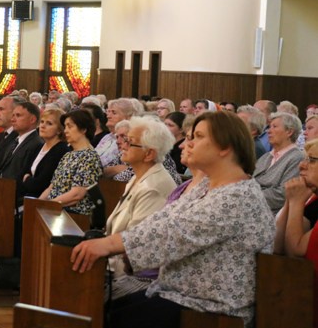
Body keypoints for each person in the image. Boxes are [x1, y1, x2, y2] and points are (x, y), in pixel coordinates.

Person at [71, 111, 275, 328]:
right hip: (178, 295)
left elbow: (175, 232)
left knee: (107, 317)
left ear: (225, 147)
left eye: (198, 136)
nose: (188, 143)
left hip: (211, 310)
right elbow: (162, 220)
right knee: (101, 308)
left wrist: (108, 245)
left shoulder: (238, 196)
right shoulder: (210, 186)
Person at [106, 116, 176, 299]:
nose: (123, 144)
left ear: (149, 154)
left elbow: (133, 245)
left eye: (130, 142)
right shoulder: (137, 177)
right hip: (117, 267)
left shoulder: (153, 186)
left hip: (136, 277)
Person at [274, 138, 318, 328]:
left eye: (312, 160)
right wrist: (290, 200)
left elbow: (297, 253)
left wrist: (296, 203)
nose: (302, 164)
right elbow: (277, 246)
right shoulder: (313, 196)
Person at [40, 109, 103, 216]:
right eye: (65, 127)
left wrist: (47, 205)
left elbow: (76, 195)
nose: (65, 131)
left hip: (73, 215)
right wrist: (37, 204)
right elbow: (51, 188)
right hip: (54, 209)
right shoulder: (68, 155)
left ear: (83, 129)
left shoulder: (89, 157)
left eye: (70, 126)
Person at [253, 112, 304, 214]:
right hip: (252, 206)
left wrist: (248, 195)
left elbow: (283, 194)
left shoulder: (297, 158)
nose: (268, 131)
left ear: (289, 132)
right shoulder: (267, 156)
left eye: (274, 127)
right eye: (269, 127)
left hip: (270, 213)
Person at [19, 108, 70, 202]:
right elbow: (22, 172)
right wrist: (28, 179)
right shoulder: (38, 146)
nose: (42, 126)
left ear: (59, 130)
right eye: (42, 122)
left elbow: (41, 184)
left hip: (42, 200)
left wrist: (28, 179)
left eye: (49, 123)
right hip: (27, 197)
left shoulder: (61, 151)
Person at [0, 102, 43, 184]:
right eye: (13, 115)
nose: (12, 120)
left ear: (32, 119)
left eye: (18, 115)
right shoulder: (15, 140)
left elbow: (22, 175)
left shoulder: (36, 144)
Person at [96, 98, 143, 169]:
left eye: (114, 113)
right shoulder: (107, 137)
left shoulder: (130, 140)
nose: (108, 116)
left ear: (128, 117)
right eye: (108, 112)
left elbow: (128, 168)